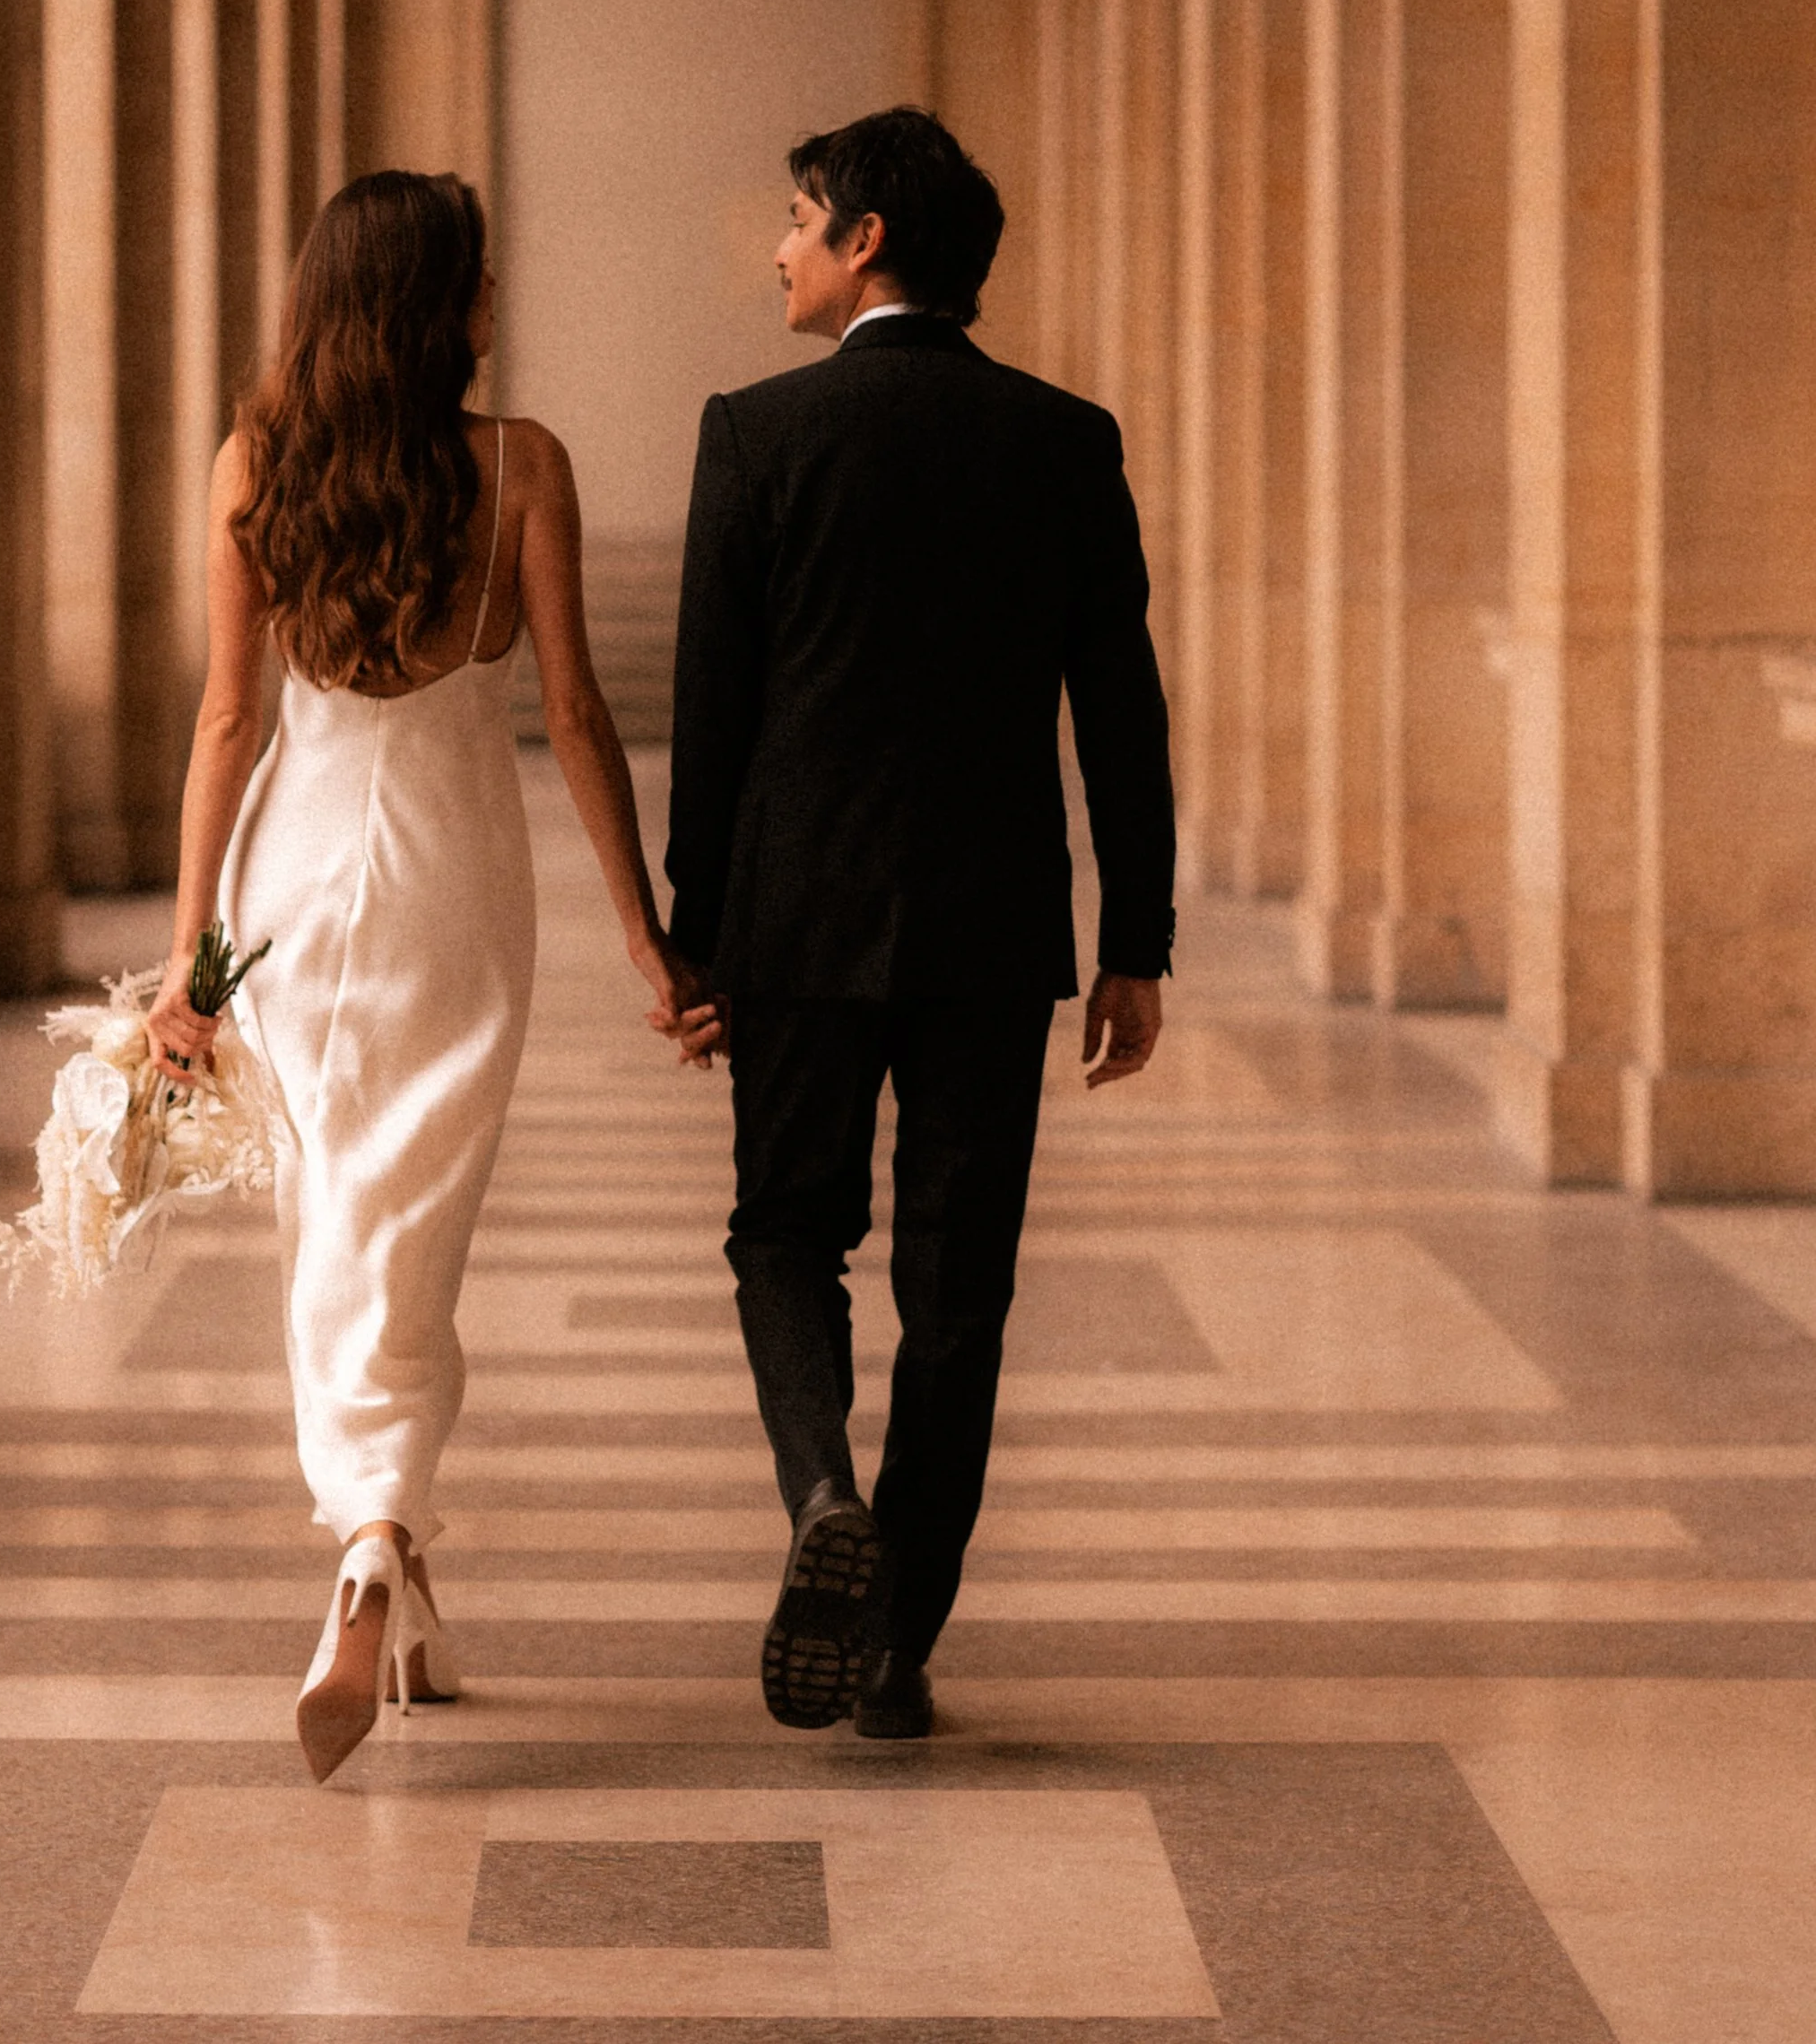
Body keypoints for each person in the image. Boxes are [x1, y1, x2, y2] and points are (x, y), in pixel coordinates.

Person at [145, 170, 702, 1784]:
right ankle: (380, 1536)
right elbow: (582, 720)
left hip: (298, 881)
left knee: (335, 1202)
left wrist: (190, 961)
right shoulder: (523, 467)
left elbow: (228, 725)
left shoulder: (255, 465)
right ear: (440, 301)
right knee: (411, 1212)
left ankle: (376, 1540)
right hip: (462, 881)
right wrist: (644, 935)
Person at [665, 107, 1175, 1740]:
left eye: (800, 217)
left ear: (866, 238)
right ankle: (896, 1643)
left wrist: (694, 938)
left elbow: (713, 714)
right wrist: (1137, 939)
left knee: (780, 1234)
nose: (781, 247)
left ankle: (821, 1487)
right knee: (960, 1290)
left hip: (797, 916)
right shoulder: (1063, 438)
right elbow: (1122, 711)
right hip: (988, 925)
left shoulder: (754, 435)